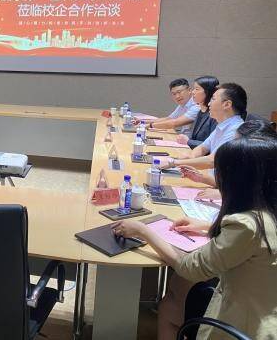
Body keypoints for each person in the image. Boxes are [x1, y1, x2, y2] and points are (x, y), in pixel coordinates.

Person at [113, 138, 277, 339]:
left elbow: (190, 267)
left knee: (171, 303)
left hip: (246, 322)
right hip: (265, 303)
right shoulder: (267, 212)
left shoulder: (246, 225)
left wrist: (143, 230)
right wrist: (207, 226)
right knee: (179, 286)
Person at [161, 83, 247, 171]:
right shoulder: (223, 124)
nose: (209, 103)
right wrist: (190, 157)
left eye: (213, 99)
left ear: (227, 104)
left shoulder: (235, 130)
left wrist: (174, 163)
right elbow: (203, 148)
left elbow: (212, 161)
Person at [175, 76, 218, 149]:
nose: (193, 92)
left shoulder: (215, 115)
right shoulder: (200, 111)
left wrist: (188, 141)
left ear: (208, 92)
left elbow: (213, 145)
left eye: (197, 89)